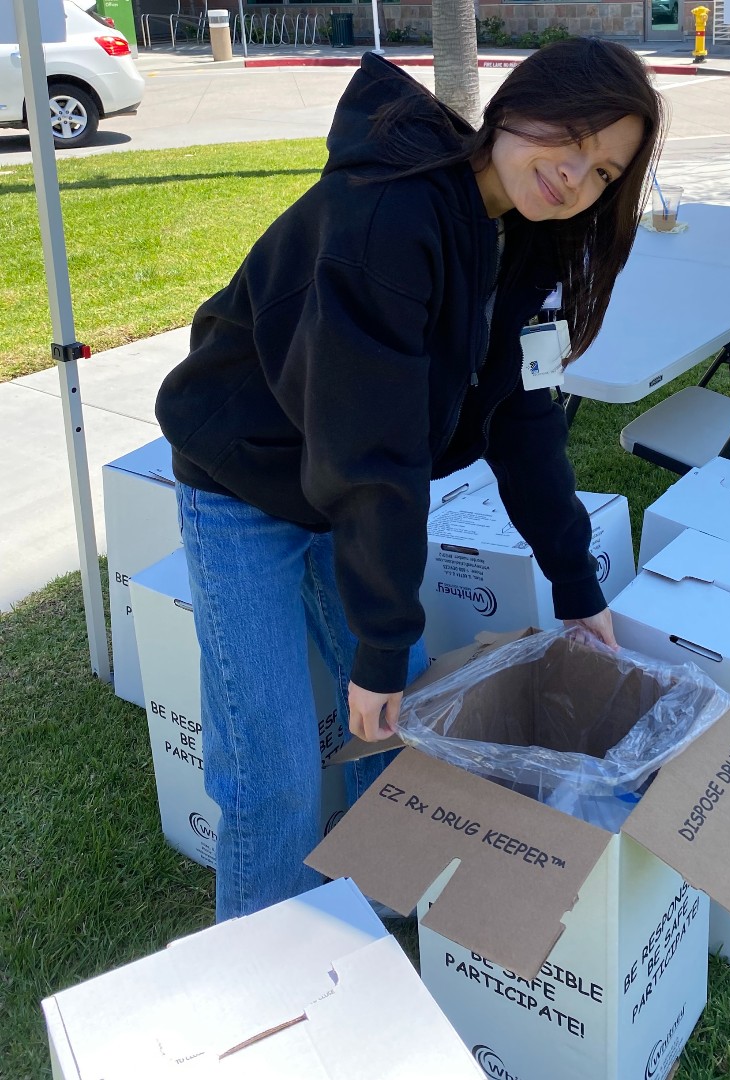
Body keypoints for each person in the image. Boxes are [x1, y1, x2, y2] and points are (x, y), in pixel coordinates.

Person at [155, 38, 665, 922]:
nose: (577, 176)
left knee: (412, 727)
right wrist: (379, 649)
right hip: (243, 476)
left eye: (606, 171)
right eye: (572, 138)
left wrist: (577, 588)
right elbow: (374, 450)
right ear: (517, 105)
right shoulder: (389, 213)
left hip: (344, 486)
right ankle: (262, 988)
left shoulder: (528, 245)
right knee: (271, 770)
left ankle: (371, 914)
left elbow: (524, 420)